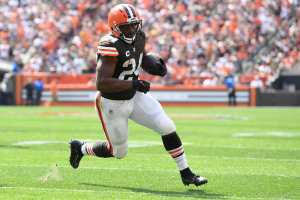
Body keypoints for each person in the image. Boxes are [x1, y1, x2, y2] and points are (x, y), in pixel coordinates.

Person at [69, 4, 207, 187]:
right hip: (113, 103)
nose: (132, 29)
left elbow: (138, 56)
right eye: (126, 26)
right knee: (118, 152)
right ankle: (81, 147)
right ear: (115, 27)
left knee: (166, 126)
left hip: (134, 96)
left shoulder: (139, 37)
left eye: (134, 25)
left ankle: (186, 173)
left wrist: (153, 64)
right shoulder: (109, 44)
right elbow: (102, 83)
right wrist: (133, 82)